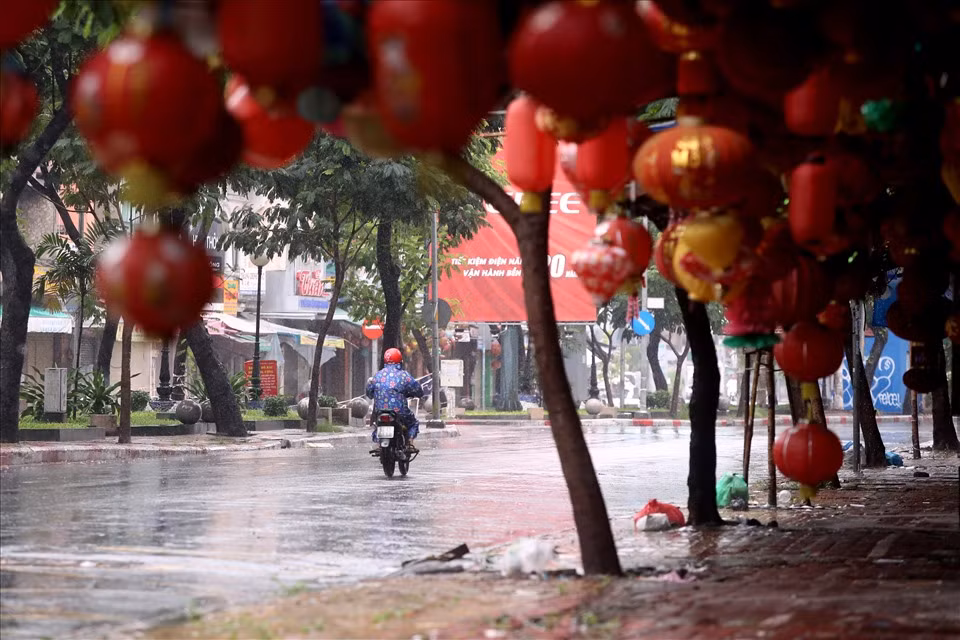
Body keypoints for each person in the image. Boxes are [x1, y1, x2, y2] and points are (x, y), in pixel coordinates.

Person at [367, 347, 424, 454]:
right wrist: (418, 394)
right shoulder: (404, 375)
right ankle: (410, 443)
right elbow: (417, 390)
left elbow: (369, 393)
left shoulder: (377, 375)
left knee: (377, 424)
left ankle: (379, 444)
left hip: (380, 411)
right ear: (400, 361)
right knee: (413, 423)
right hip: (399, 411)